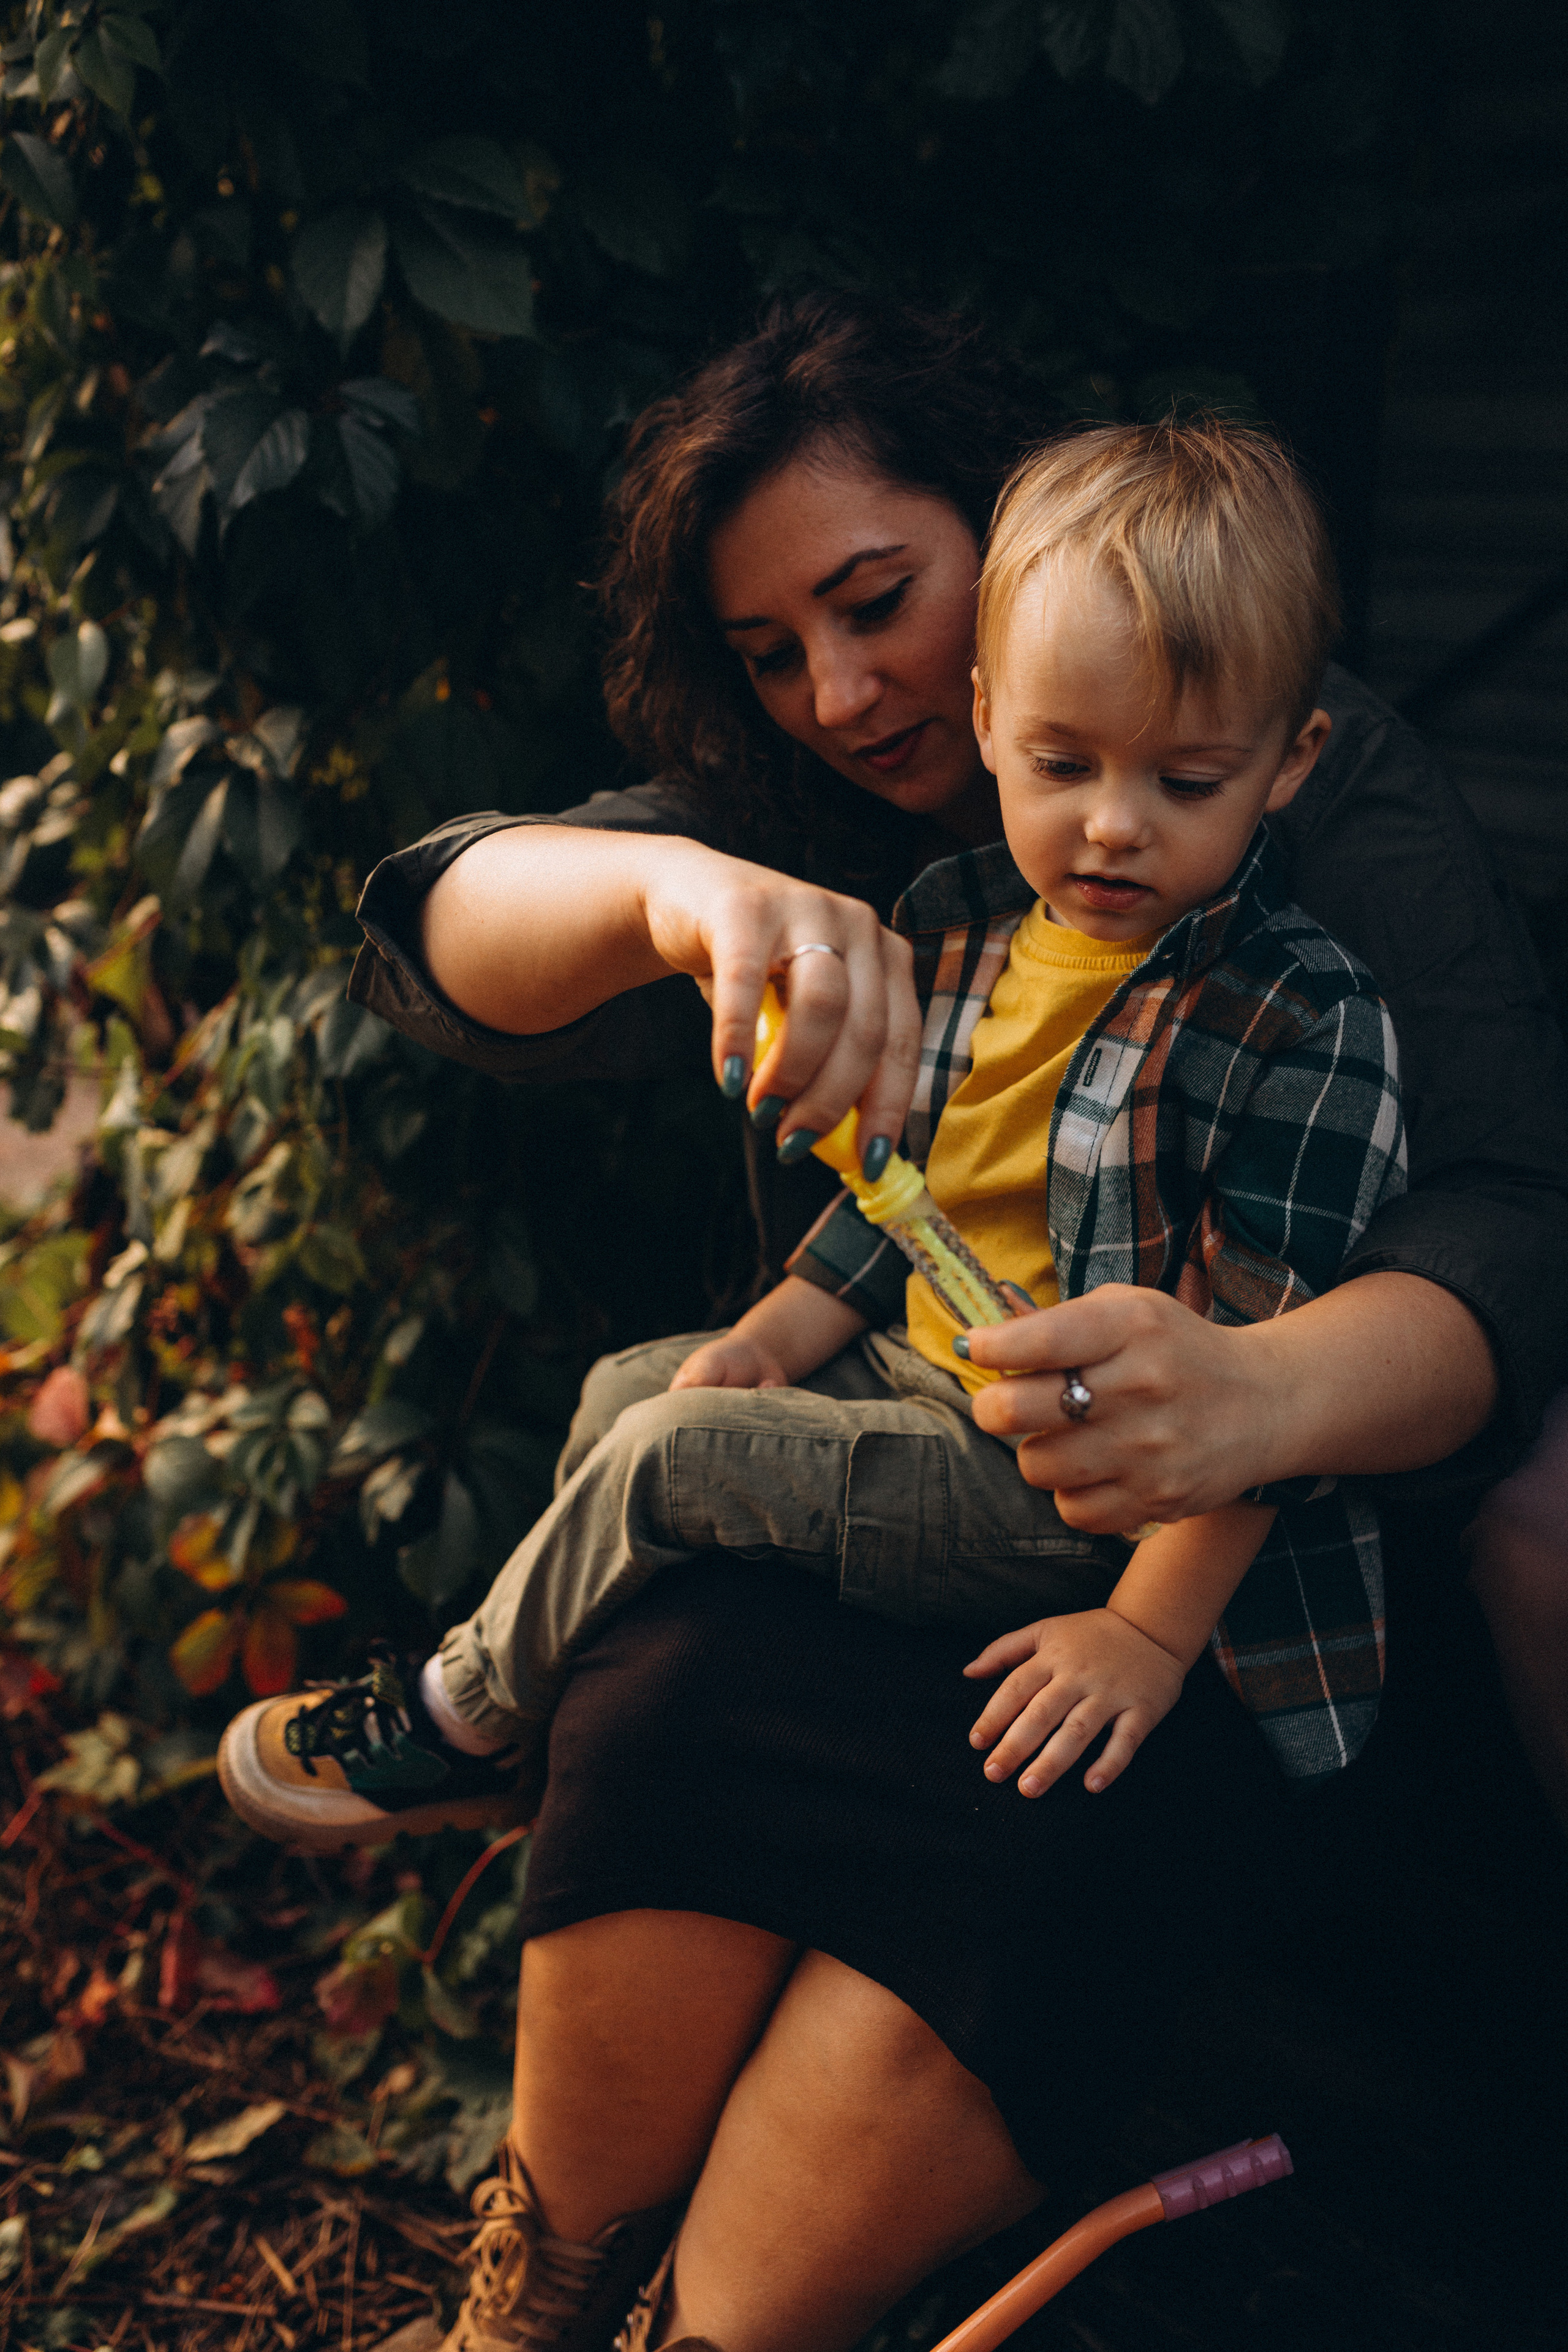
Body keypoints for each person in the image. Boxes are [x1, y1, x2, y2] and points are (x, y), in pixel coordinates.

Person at [219, 300, 1566, 2352]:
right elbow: (425, 934)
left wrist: (1254, 1405)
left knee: (975, 1840)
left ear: (1008, 533)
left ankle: (704, 2303)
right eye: (771, 652)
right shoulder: (866, 859)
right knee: (663, 1633)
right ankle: (538, 2291)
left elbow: (1505, 1225)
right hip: (901, 1462)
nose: (840, 694)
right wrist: (675, 906)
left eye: (876, 601)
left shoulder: (1294, 851)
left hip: (1174, 1571)